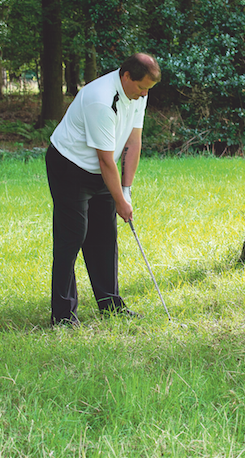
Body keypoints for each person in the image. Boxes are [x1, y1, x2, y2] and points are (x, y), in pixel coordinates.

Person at [45, 52, 161, 326]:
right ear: (126, 76)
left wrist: (126, 190)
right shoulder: (101, 99)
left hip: (100, 170)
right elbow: (105, 160)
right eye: (142, 87)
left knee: (104, 237)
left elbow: (133, 142)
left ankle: (110, 306)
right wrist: (119, 201)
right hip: (69, 167)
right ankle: (62, 316)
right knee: (72, 237)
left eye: (149, 89)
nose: (145, 95)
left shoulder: (138, 95)